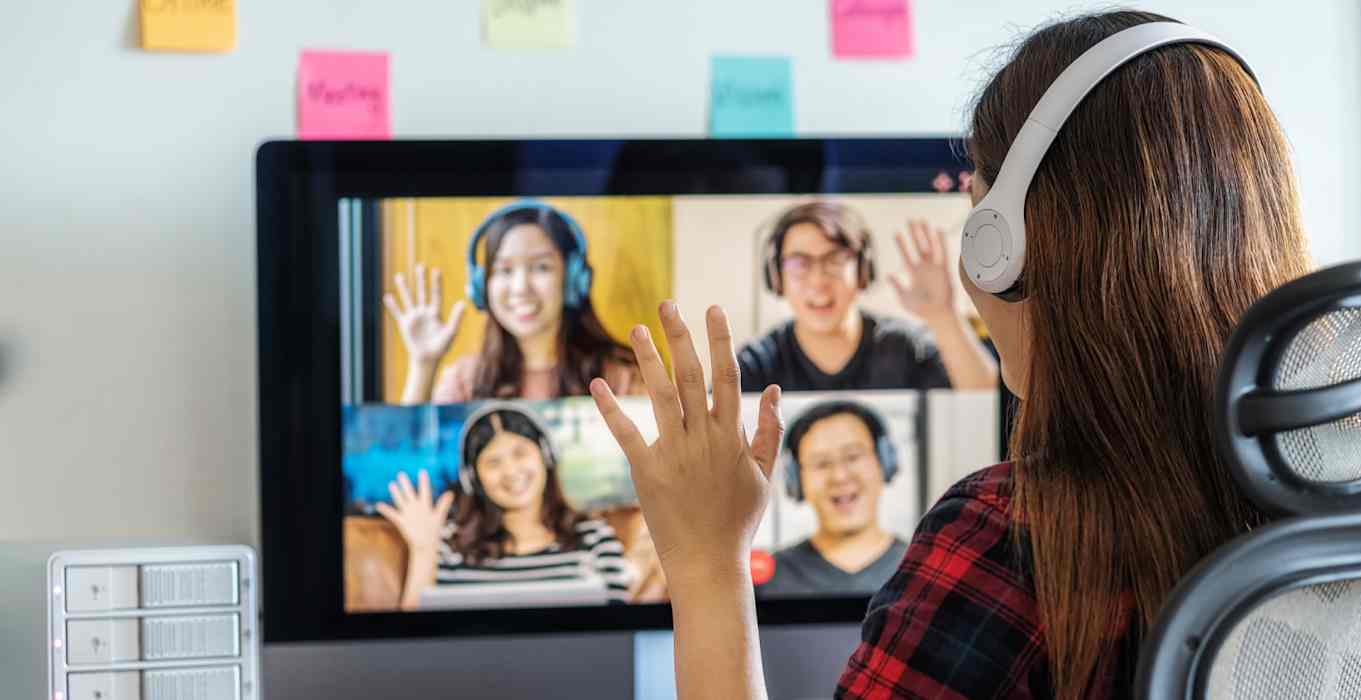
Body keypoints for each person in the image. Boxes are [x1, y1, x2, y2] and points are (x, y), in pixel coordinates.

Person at [587, 10, 1312, 698]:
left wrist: (709, 561)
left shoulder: (1011, 543)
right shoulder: (1345, 488)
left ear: (1005, 251)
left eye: (976, 218)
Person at [376, 403, 635, 609]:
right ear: (474, 478)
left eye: (520, 453)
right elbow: (416, 638)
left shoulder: (594, 538)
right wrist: (423, 550)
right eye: (493, 462)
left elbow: (619, 629)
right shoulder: (448, 545)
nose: (511, 471)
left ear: (546, 455)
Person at [383, 200, 640, 404]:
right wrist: (424, 365)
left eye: (541, 267)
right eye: (504, 270)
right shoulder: (464, 382)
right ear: (482, 287)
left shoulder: (622, 378)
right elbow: (408, 462)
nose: (520, 288)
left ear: (574, 279)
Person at [736, 200, 999, 392]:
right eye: (800, 264)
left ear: (863, 269)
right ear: (776, 275)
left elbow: (982, 392)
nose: (818, 281)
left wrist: (944, 315)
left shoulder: (904, 347)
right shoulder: (758, 363)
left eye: (835, 260)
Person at [758, 400, 906, 597]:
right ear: (796, 480)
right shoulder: (769, 579)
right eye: (821, 463)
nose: (839, 476)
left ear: (884, 462)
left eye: (853, 456)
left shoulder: (928, 567)